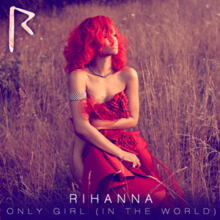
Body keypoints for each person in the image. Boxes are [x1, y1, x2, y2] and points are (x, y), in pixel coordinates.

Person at [63, 15, 186, 217]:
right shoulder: (79, 76)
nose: (114, 39)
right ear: (91, 40)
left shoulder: (128, 74)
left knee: (156, 195)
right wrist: (119, 154)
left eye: (114, 34)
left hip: (127, 144)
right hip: (89, 151)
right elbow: (82, 128)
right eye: (106, 35)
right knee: (114, 206)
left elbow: (133, 120)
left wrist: (99, 123)